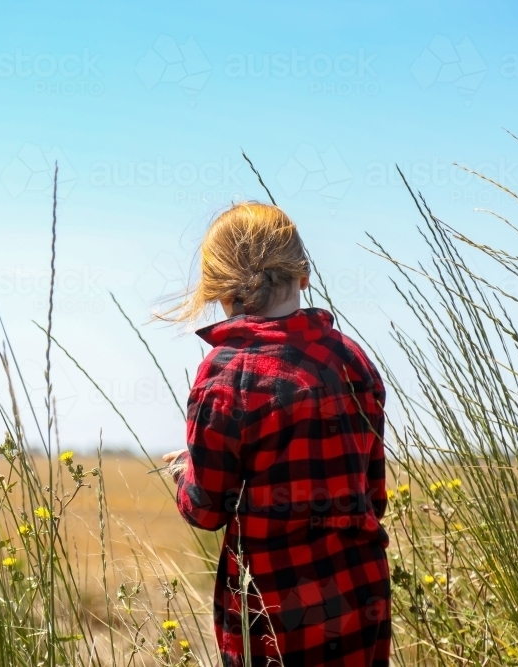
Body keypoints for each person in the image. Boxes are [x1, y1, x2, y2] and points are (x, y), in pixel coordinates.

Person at [160, 202, 390, 666]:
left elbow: (207, 510)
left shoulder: (226, 374)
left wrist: (185, 475)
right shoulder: (351, 360)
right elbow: (373, 497)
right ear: (303, 274)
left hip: (272, 613)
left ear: (217, 288)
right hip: (360, 598)